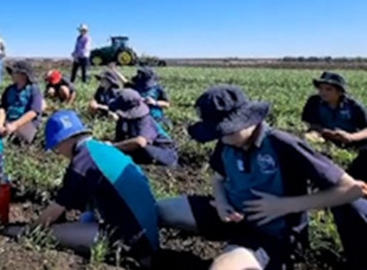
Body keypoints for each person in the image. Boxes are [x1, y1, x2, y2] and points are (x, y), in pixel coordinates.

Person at [156, 84, 364, 270]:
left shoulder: (282, 144)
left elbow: (353, 189)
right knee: (157, 210)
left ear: (246, 119)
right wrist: (221, 202)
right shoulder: (227, 140)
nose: (221, 138)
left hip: (272, 234)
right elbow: (218, 178)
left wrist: (284, 206)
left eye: (226, 131)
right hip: (232, 215)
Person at [2, 110, 158, 268]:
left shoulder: (81, 163)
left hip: (128, 240)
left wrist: (26, 230)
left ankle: (129, 254)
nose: (59, 153)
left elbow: (56, 209)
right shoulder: (100, 149)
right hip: (148, 235)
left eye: (57, 148)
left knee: (49, 233)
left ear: (63, 141)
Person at [300, 71, 367, 269]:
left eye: (328, 89)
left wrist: (350, 137)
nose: (323, 92)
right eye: (321, 88)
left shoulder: (353, 106)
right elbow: (310, 123)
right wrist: (322, 132)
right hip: (327, 142)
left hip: (354, 145)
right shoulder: (314, 102)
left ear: (339, 91)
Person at [108, 88, 178, 167]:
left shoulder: (145, 119)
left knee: (142, 149)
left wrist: (113, 147)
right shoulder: (123, 120)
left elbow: (140, 142)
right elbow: (120, 140)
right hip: (143, 150)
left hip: (164, 152)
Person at [0, 61, 43, 145]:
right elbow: (2, 107)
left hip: (27, 122)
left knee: (20, 140)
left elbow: (34, 112)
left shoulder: (34, 90)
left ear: (23, 75)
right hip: (9, 120)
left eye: (14, 72)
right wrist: (0, 125)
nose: (11, 74)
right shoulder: (9, 89)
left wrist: (15, 125)